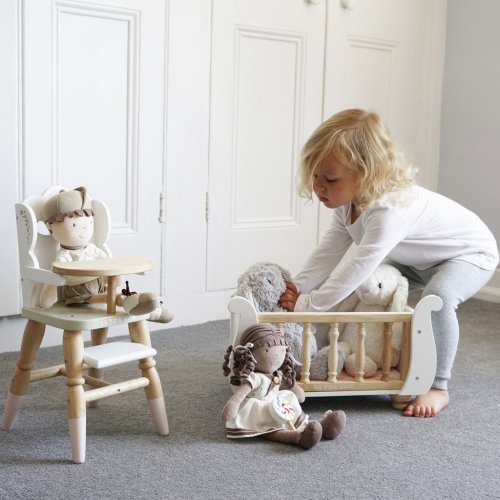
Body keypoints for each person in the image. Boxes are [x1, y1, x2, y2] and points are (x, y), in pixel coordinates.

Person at [279, 108, 499, 418]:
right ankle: (368, 349)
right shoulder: (349, 204)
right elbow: (329, 253)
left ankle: (439, 386)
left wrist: (307, 306)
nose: (319, 186)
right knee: (371, 287)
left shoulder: (388, 210)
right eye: (315, 175)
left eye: (330, 179)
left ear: (368, 174)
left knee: (438, 298)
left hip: (469, 253)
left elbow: (355, 270)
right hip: (416, 258)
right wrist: (296, 288)